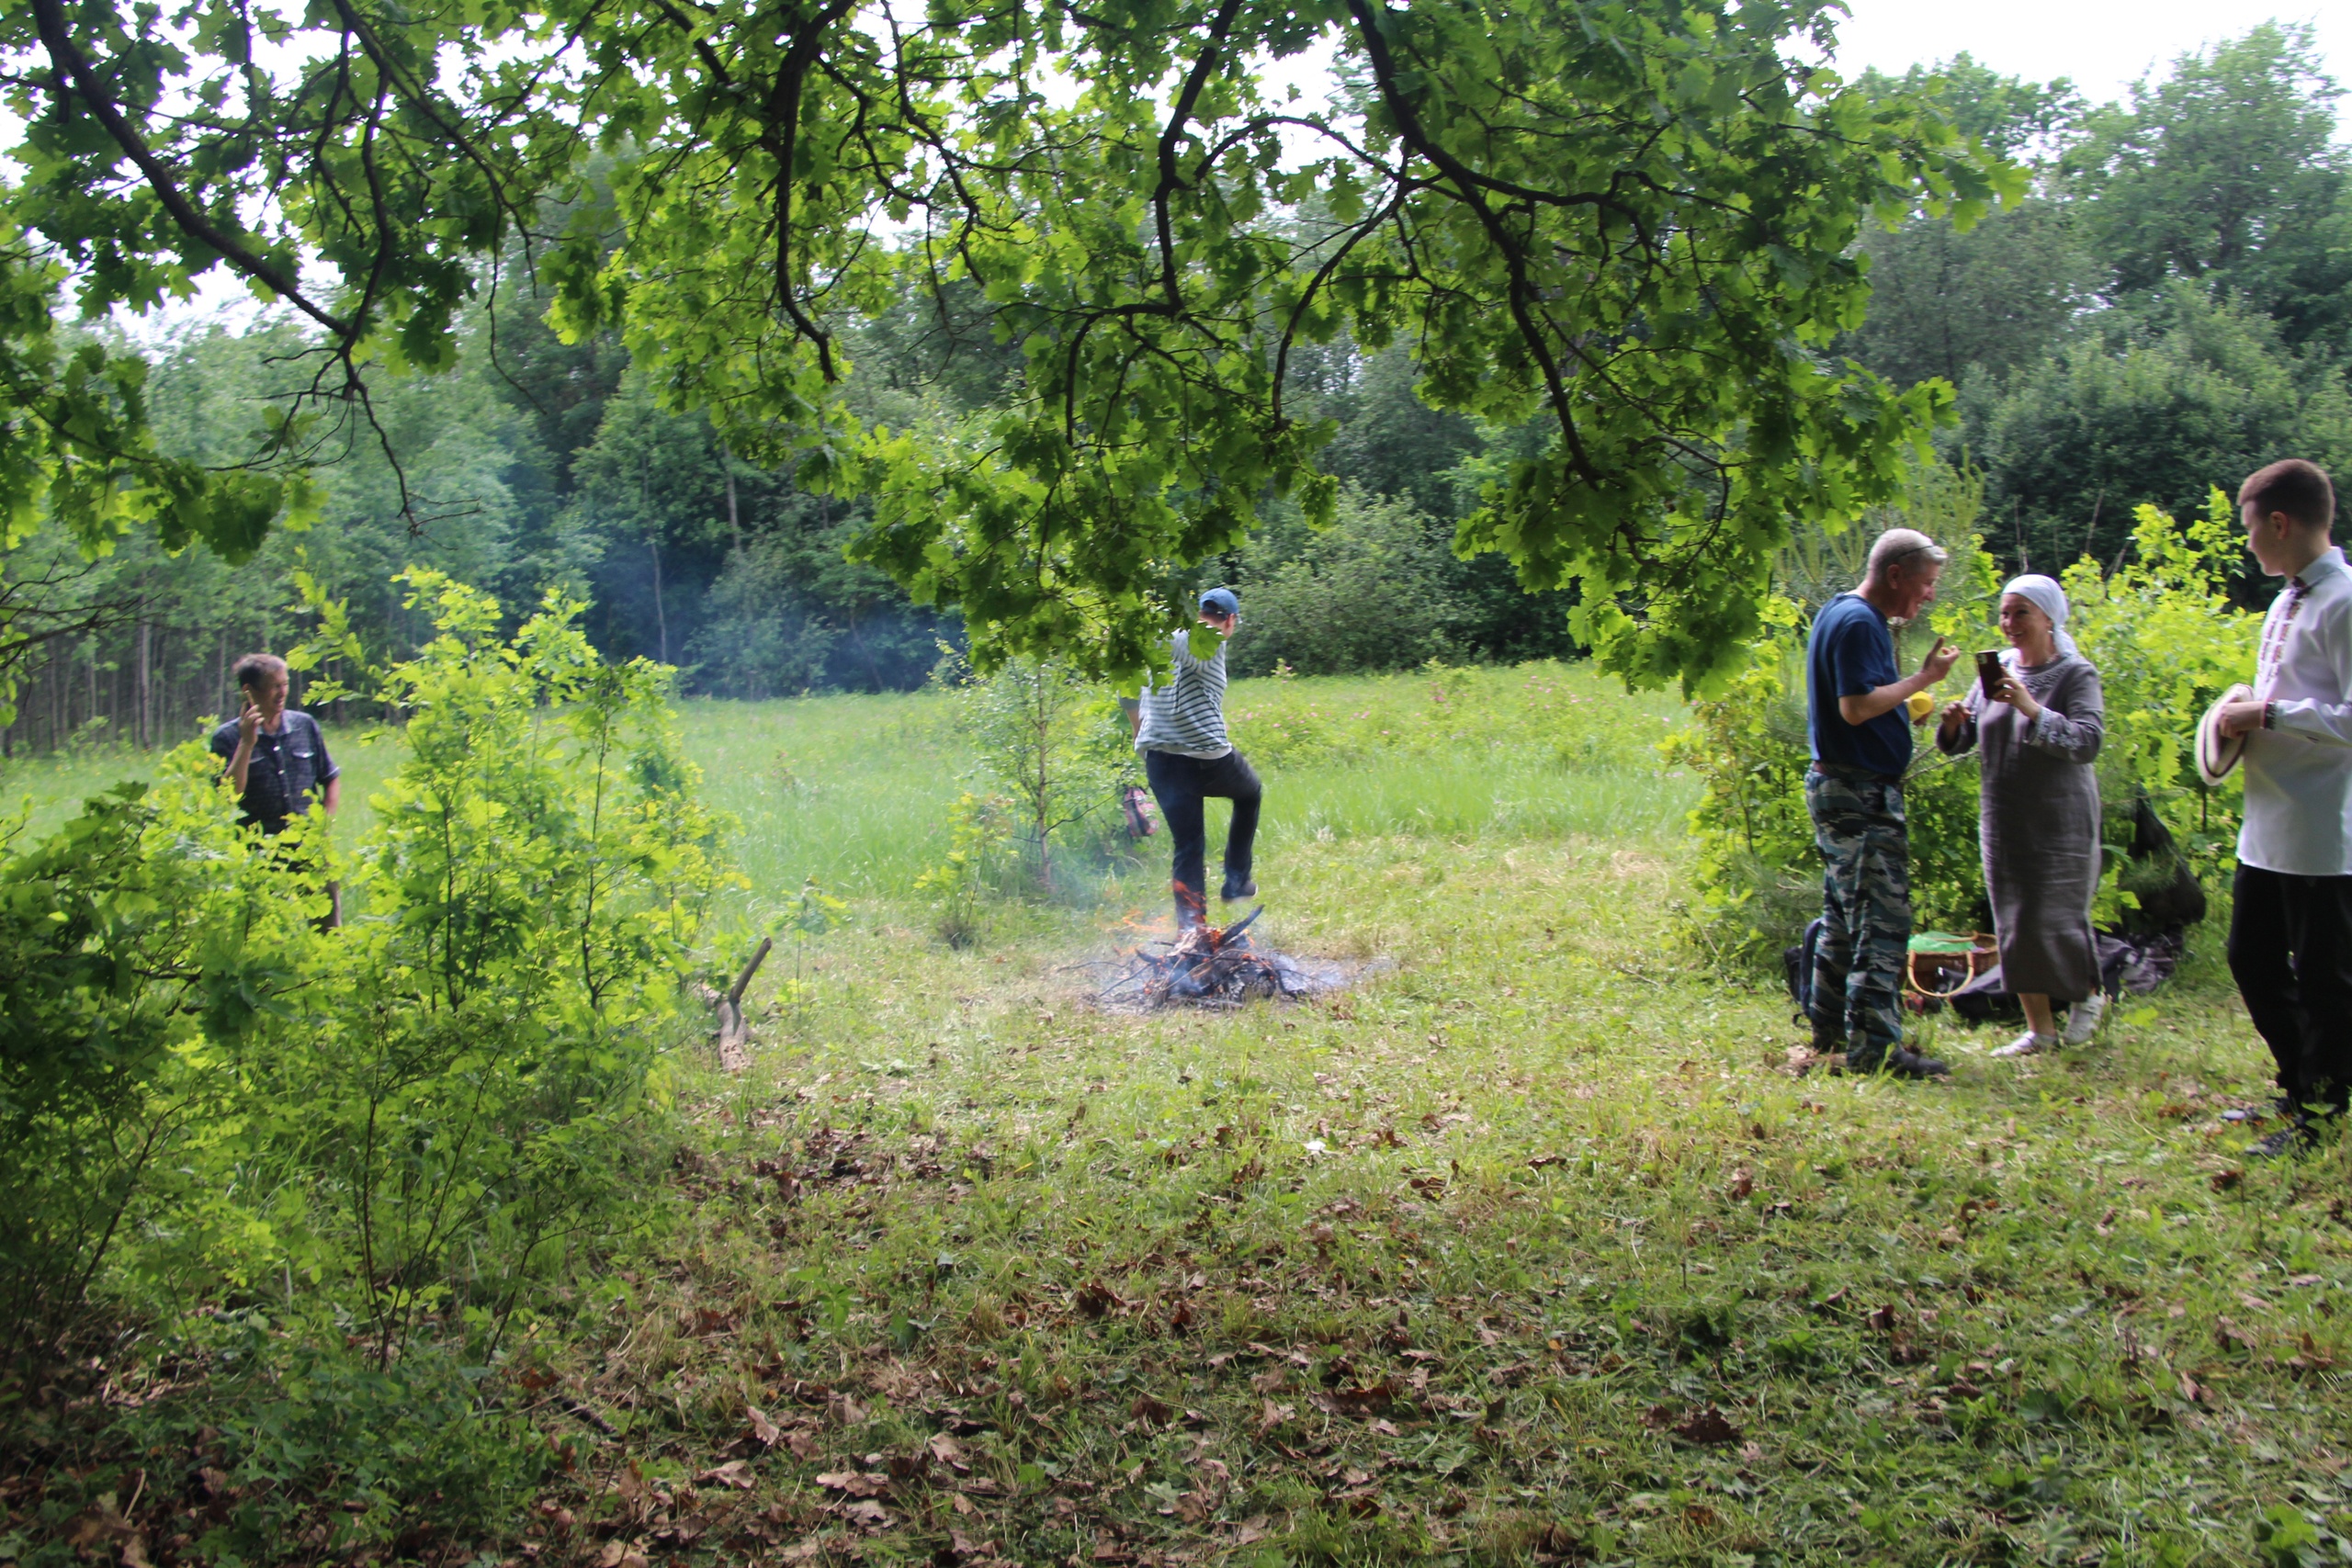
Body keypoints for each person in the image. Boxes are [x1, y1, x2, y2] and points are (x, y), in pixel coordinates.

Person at [2213, 459, 2352, 1156]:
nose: (2248, 546)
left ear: (2280, 522)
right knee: (2252, 956)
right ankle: (2300, 1082)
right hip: (2267, 817)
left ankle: (2322, 1111)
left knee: (2324, 974)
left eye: (2249, 531)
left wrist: (2267, 711)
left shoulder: (2344, 602)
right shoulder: (2283, 600)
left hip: (2323, 823)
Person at [1804, 528, 1961, 1077]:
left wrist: (1903, 710)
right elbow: (1853, 707)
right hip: (1858, 793)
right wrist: (1924, 677)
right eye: (1925, 583)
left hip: (1840, 785)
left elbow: (1864, 705)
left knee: (1843, 918)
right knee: (1882, 921)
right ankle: (1875, 1052)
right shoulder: (1858, 622)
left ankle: (1827, 1034)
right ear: (1895, 575)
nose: (1930, 595)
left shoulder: (1841, 613)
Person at [1936, 575, 2108, 1057]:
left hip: (2060, 819)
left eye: (2021, 613)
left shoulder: (2077, 674)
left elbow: (2088, 742)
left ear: (2049, 617)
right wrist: (1953, 726)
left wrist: (2032, 708)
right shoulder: (1995, 668)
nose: (2009, 624)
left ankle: (2087, 999)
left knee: (2055, 916)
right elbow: (1964, 739)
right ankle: (2040, 1030)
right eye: (2005, 613)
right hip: (2004, 816)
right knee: (2014, 920)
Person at [1124, 588, 1261, 929]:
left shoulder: (1170, 641)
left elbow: (1126, 690)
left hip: (1160, 759)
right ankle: (1236, 880)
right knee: (1250, 792)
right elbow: (1173, 639)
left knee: (1188, 846)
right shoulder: (1207, 637)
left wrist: (1141, 733)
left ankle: (1192, 931)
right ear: (1230, 619)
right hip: (1204, 757)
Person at [210, 652, 343, 921]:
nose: (282, 693)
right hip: (258, 855)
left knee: (328, 928)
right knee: (266, 933)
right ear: (249, 691)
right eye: (274, 686)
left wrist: (323, 826)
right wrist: (247, 742)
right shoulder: (226, 738)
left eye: (285, 684)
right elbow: (228, 796)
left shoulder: (304, 725)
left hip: (310, 848)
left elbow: (330, 777)